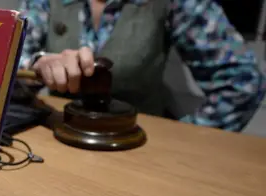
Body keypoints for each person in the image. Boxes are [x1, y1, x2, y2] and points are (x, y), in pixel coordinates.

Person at [18, 0, 266, 131]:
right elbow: (12, 61)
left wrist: (184, 140)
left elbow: (243, 82)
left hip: (138, 148)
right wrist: (38, 62)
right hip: (59, 135)